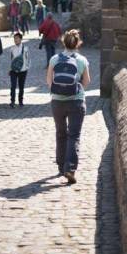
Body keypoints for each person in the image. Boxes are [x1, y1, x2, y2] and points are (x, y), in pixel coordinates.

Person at [47, 29, 90, 184]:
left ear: (63, 42)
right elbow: (86, 82)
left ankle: (60, 165)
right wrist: (77, 90)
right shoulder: (82, 60)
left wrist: (58, 92)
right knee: (74, 135)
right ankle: (70, 168)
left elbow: (49, 81)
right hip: (76, 101)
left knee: (60, 133)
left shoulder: (54, 59)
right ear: (78, 43)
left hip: (57, 102)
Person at [9, 31, 30, 108]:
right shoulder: (12, 49)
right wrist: (10, 69)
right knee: (13, 86)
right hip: (13, 70)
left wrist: (26, 67)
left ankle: (20, 101)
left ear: (21, 39)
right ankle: (12, 101)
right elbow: (11, 59)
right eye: (14, 39)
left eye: (17, 38)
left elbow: (28, 59)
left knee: (21, 87)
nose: (15, 40)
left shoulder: (25, 49)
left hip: (23, 70)